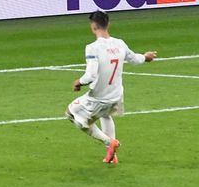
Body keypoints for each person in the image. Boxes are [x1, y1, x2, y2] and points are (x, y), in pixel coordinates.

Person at [66, 11, 157, 164]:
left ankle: (110, 143)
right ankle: (112, 156)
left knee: (70, 114)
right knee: (105, 115)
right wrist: (146, 57)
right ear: (108, 24)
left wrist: (78, 82)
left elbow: (90, 75)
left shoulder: (92, 48)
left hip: (99, 98)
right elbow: (135, 59)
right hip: (116, 96)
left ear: (93, 26)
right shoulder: (119, 43)